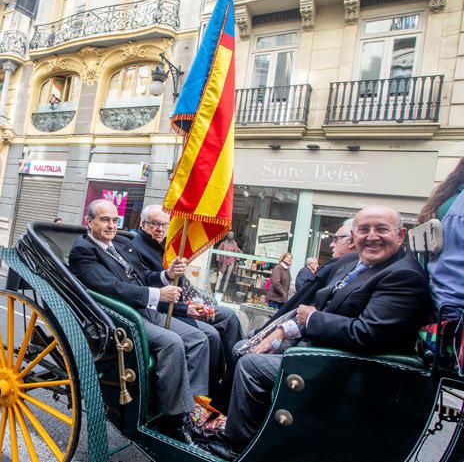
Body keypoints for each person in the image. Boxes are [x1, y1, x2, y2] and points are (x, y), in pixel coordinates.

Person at [202, 206, 433, 459]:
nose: (372, 236)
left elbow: (366, 333)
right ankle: (240, 428)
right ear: (354, 236)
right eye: (364, 230)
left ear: (400, 235)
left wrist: (312, 319)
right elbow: (327, 305)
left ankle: (237, 447)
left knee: (252, 366)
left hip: (356, 370)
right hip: (328, 354)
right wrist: (285, 329)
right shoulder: (367, 265)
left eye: (381, 229)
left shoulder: (402, 275)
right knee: (245, 348)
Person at [68, 199, 212, 445]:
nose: (111, 225)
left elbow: (144, 276)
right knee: (172, 343)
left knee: (199, 339)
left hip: (145, 309)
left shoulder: (120, 245)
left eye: (115, 220)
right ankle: (174, 419)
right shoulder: (83, 250)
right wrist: (156, 295)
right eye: (104, 220)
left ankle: (195, 409)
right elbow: (111, 287)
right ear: (89, 222)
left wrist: (167, 275)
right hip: (121, 318)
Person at [132, 205, 244, 400]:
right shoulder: (136, 248)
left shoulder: (167, 246)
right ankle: (208, 395)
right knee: (210, 336)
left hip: (183, 304)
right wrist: (186, 308)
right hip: (165, 309)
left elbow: (182, 282)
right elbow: (149, 288)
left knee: (228, 315)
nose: (160, 229)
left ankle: (235, 374)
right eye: (154, 224)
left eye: (163, 225)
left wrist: (197, 302)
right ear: (143, 224)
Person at [417, 157, 464, 319]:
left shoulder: (448, 197)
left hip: (435, 308)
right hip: (452, 317)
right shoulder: (458, 206)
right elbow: (455, 277)